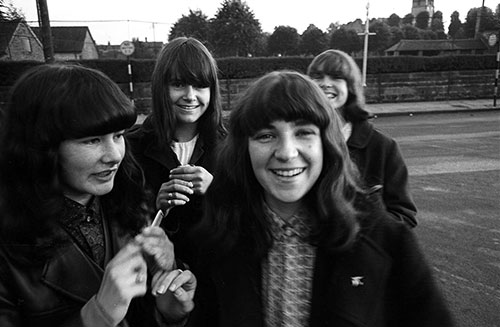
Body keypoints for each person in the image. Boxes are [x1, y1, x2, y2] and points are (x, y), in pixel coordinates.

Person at [189, 71, 454, 326]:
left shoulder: (385, 238)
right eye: (266, 135)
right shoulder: (219, 236)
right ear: (243, 149)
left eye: (303, 132)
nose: (286, 152)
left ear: (327, 143)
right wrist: (175, 315)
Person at [0, 64, 196, 327]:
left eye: (118, 135)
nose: (114, 155)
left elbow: (139, 312)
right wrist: (98, 316)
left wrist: (169, 312)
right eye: (92, 140)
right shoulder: (8, 244)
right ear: (40, 146)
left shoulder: (131, 207)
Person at [127, 37, 226, 264]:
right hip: (156, 283)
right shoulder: (131, 148)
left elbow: (245, 224)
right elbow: (120, 228)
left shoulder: (231, 147)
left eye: (200, 85)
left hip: (212, 281)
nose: (190, 95)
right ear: (161, 87)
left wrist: (215, 192)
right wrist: (156, 208)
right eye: (178, 84)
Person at [307, 49, 417, 227]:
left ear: (350, 87)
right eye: (317, 76)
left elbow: (404, 216)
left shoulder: (382, 147)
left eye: (336, 77)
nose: (325, 84)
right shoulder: (295, 142)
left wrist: (354, 229)